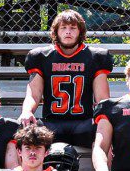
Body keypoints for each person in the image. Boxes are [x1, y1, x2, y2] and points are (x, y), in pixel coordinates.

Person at [21, 10, 115, 152]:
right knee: (22, 127)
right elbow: (34, 94)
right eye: (63, 28)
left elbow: (102, 98)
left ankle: (102, 167)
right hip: (50, 124)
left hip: (84, 123)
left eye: (73, 28)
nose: (68, 32)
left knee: (106, 127)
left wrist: (105, 120)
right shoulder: (41, 57)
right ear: (56, 32)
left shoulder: (95, 57)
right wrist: (27, 111)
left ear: (80, 31)